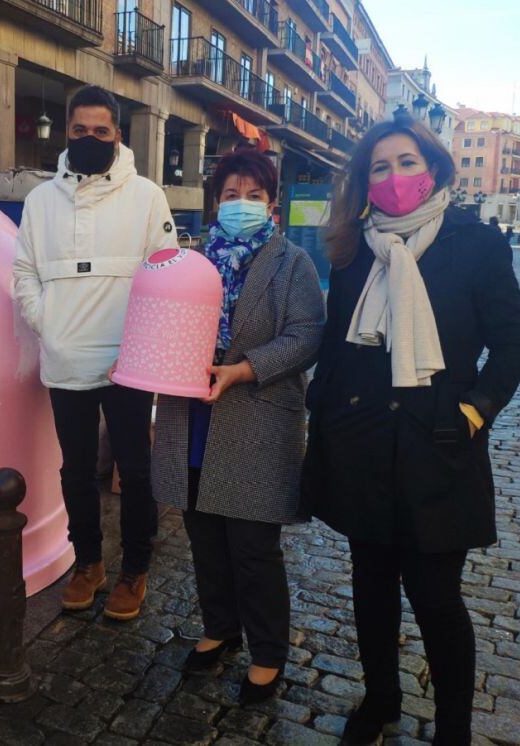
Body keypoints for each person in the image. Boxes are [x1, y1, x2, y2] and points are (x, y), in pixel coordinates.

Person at [300, 118, 520, 745]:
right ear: (365, 181)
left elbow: (514, 347)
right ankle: (380, 702)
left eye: (406, 162)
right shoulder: (353, 248)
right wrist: (319, 422)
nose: (394, 176)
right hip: (362, 442)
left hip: (441, 445)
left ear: (432, 167)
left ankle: (452, 729)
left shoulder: (477, 244)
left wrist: (476, 410)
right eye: (379, 167)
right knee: (370, 590)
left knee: (436, 600)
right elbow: (338, 345)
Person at [148, 149, 325, 703]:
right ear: (215, 201)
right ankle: (219, 628)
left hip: (256, 420)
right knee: (204, 538)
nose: (240, 205)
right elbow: (163, 320)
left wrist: (244, 370)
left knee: (252, 546)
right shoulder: (192, 261)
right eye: (230, 195)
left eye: (253, 196)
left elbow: (306, 337)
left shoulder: (291, 262)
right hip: (193, 415)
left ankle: (268, 652)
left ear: (272, 203)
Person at [12, 84, 177, 620]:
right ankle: (88, 562)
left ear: (118, 136)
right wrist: (50, 326)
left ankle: (134, 570)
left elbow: (167, 274)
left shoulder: (148, 196)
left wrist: (144, 345)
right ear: (67, 133)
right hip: (66, 360)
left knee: (135, 470)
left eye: (100, 131)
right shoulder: (40, 201)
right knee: (75, 470)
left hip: (129, 362)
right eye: (79, 130)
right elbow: (24, 274)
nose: (89, 139)